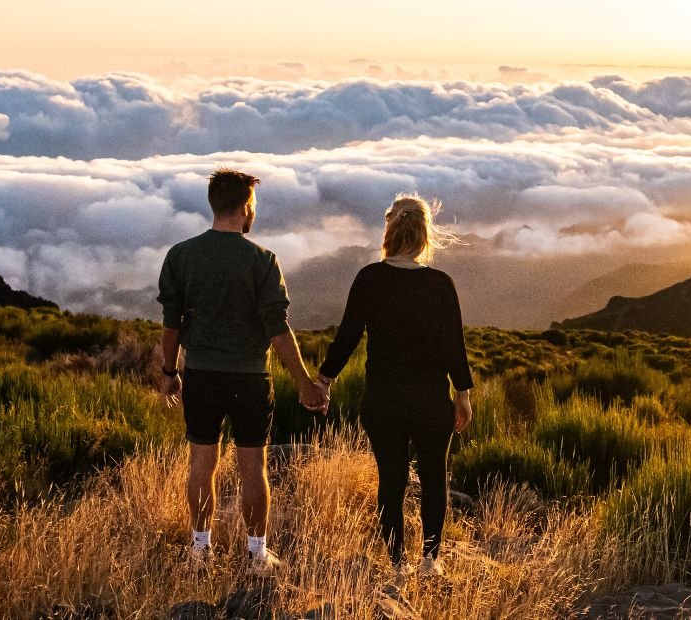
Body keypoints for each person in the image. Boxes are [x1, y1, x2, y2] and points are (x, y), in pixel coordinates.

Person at [156, 168, 328, 573]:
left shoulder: (181, 255)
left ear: (214, 204)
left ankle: (200, 552)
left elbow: (171, 324)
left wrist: (169, 371)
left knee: (202, 463)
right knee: (254, 466)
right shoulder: (262, 260)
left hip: (200, 374)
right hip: (251, 378)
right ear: (246, 207)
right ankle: (257, 554)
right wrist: (304, 383)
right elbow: (277, 329)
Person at [315, 194, 474, 577]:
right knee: (435, 477)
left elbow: (348, 337)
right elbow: (453, 344)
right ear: (424, 236)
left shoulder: (370, 279)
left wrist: (323, 380)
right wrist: (463, 394)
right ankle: (430, 561)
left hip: (383, 401)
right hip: (429, 401)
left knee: (391, 480)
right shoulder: (439, 284)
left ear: (389, 230)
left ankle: (397, 563)